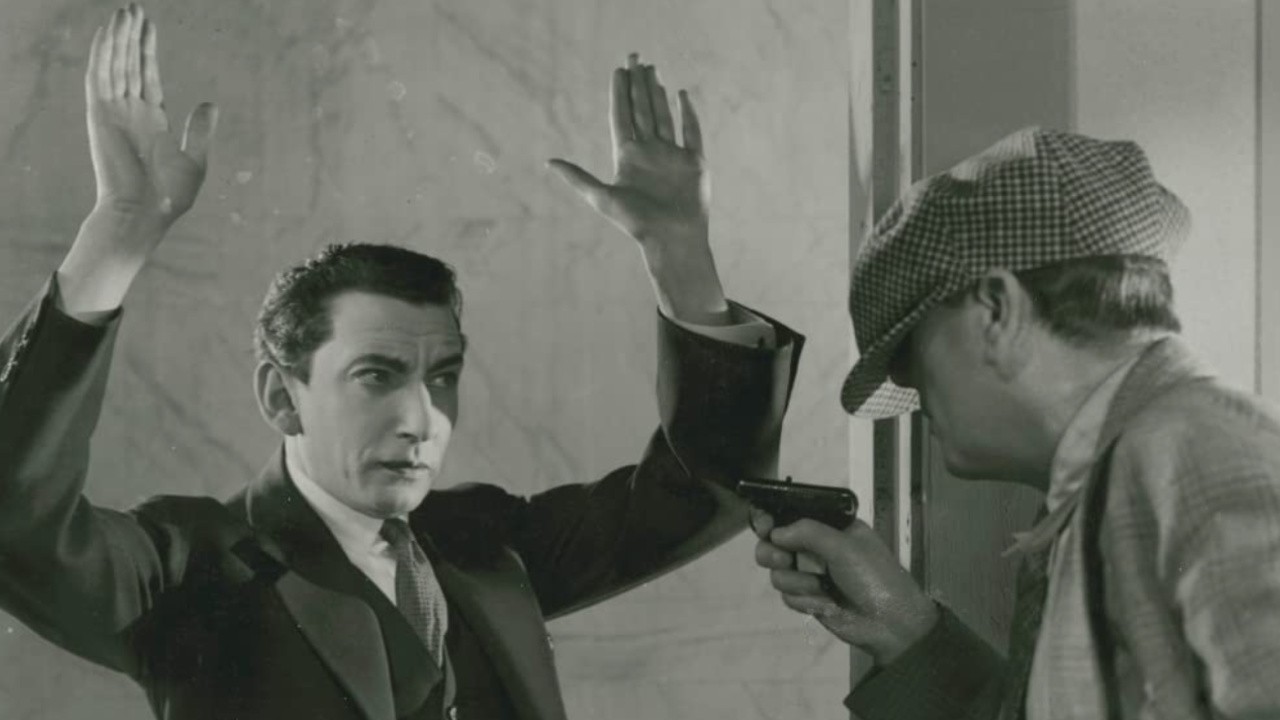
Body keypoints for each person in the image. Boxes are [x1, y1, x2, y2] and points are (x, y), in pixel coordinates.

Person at [0, 5, 803, 720]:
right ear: (281, 397)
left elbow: (705, 491)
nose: (422, 419)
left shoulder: (485, 547)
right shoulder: (188, 569)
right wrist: (119, 233)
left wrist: (679, 253)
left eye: (442, 376)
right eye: (376, 376)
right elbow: (14, 520)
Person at [753, 127, 1280, 719]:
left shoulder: (1204, 458)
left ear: (996, 311)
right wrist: (904, 628)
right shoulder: (1118, 478)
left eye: (911, 354)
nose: (913, 394)